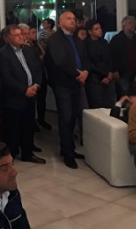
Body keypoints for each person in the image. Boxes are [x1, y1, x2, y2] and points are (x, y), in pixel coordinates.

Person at [44, 11, 90, 169]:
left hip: (77, 83)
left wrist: (86, 72)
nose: (72, 21)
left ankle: (69, 148)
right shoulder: (55, 39)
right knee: (66, 117)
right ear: (60, 21)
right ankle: (68, 154)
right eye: (69, 19)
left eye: (74, 19)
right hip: (63, 83)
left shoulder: (76, 38)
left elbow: (85, 58)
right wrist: (78, 74)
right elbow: (60, 61)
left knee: (74, 116)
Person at [0, 25, 45, 164]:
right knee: (13, 129)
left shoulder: (29, 50)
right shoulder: (3, 54)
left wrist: (36, 85)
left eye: (21, 34)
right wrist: (24, 90)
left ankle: (27, 153)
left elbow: (37, 69)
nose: (21, 37)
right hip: (14, 97)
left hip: (32, 94)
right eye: (16, 35)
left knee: (28, 126)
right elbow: (6, 78)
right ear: (8, 38)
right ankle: (10, 156)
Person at [109, 15, 136, 97]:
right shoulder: (116, 40)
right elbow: (111, 56)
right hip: (123, 72)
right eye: (130, 23)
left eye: (134, 23)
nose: (133, 25)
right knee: (125, 92)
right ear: (123, 26)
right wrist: (114, 70)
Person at [84, 19, 116, 109]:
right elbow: (89, 63)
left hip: (108, 76)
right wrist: (103, 75)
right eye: (96, 29)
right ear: (90, 32)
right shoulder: (85, 45)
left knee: (110, 104)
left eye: (100, 28)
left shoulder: (104, 42)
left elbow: (110, 58)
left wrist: (109, 74)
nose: (100, 30)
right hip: (94, 79)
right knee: (97, 105)